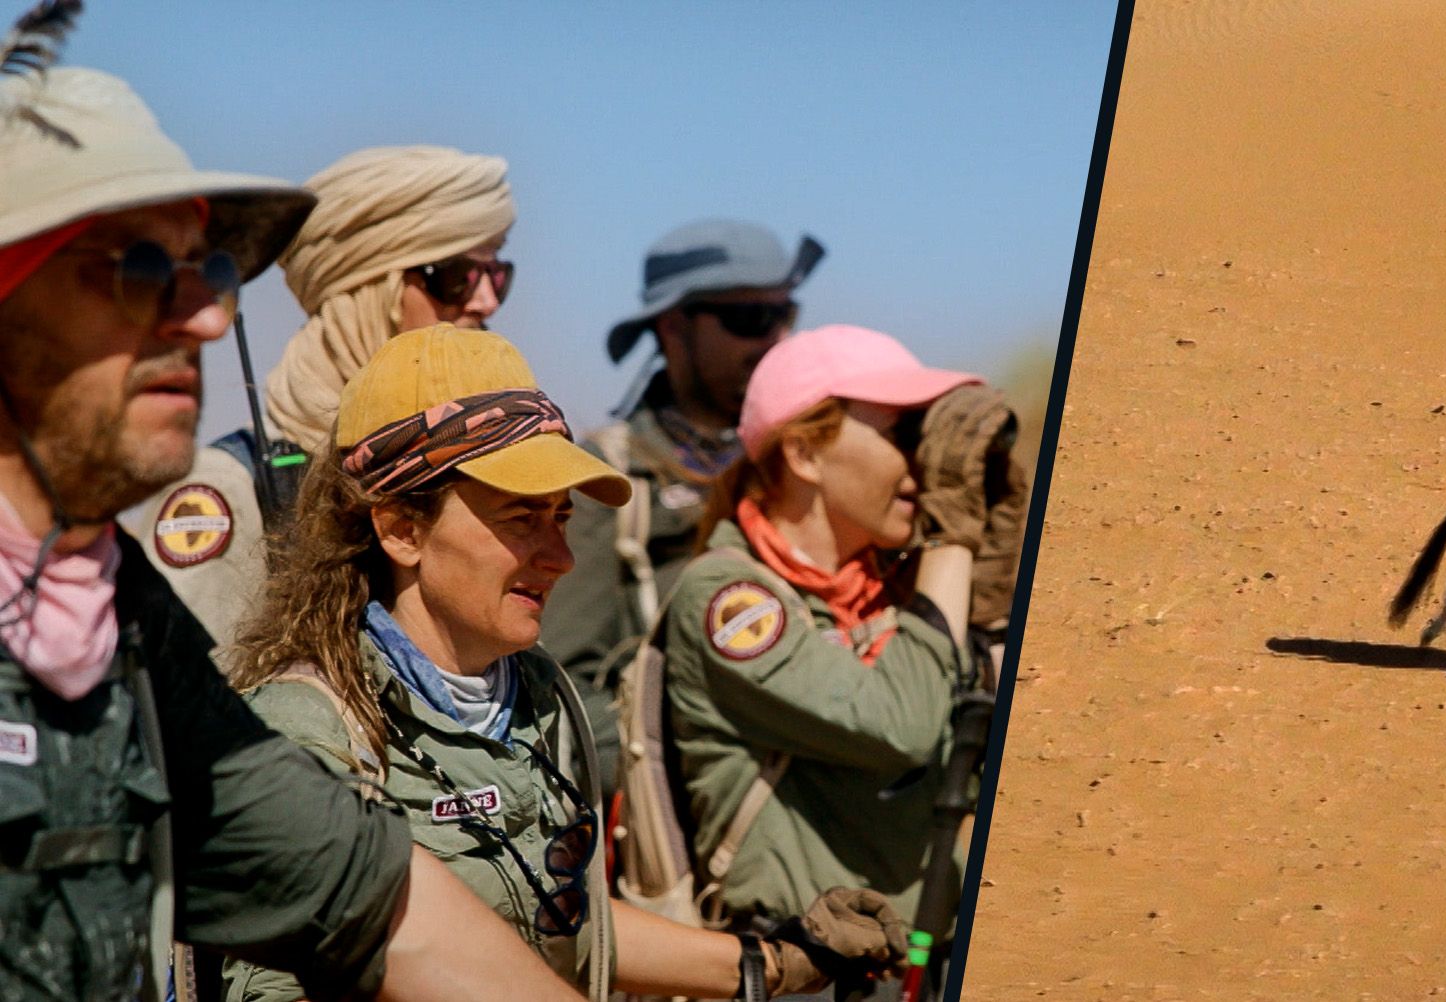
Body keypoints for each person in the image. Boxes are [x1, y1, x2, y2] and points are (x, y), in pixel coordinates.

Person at [0, 44, 591, 1001]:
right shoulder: (231, 491)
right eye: (142, 268)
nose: (202, 314)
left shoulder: (114, 612)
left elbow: (366, 897)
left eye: (210, 269)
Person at [219, 324, 906, 1001]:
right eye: (521, 518)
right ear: (402, 530)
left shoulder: (537, 689)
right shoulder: (309, 732)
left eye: (562, 516)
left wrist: (778, 962)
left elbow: (572, 923)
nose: (562, 558)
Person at [637, 324, 1021, 936]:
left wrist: (995, 596)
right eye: (904, 432)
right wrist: (952, 537)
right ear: (804, 454)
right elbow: (900, 727)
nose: (925, 461)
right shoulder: (729, 602)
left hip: (919, 953)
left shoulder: (901, 587)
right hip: (798, 968)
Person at [138, 144, 515, 645]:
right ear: (370, 291)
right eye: (456, 277)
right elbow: (197, 706)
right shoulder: (232, 488)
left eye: (496, 275)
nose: (485, 301)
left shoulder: (482, 465)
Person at [538, 218, 821, 796]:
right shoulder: (608, 478)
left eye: (784, 315)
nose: (774, 340)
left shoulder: (805, 461)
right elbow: (561, 687)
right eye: (749, 320)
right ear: (673, 327)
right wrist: (692, 762)